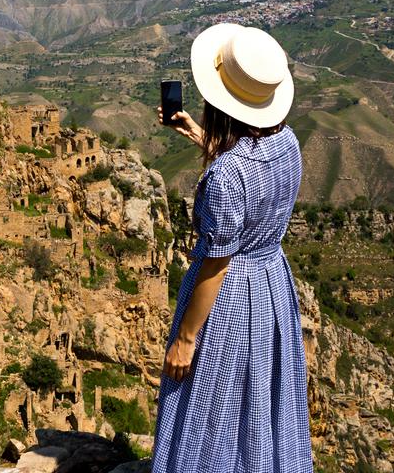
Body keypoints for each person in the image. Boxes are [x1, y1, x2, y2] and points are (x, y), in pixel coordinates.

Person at [152, 23, 312, 473]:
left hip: (228, 299)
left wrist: (186, 338)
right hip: (271, 288)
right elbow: (249, 178)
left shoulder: (226, 176)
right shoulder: (288, 142)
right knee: (258, 400)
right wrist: (195, 133)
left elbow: (217, 262)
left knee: (208, 405)